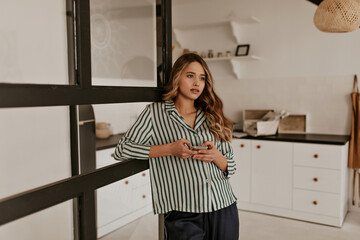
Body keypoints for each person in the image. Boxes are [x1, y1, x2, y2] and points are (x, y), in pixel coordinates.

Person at [114, 53, 239, 240]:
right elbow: (122, 150)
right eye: (190, 76)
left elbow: (231, 166)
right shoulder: (154, 113)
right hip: (183, 212)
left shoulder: (212, 115)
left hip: (222, 205)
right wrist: (170, 149)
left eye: (202, 78)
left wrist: (215, 156)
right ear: (177, 77)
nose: (197, 83)